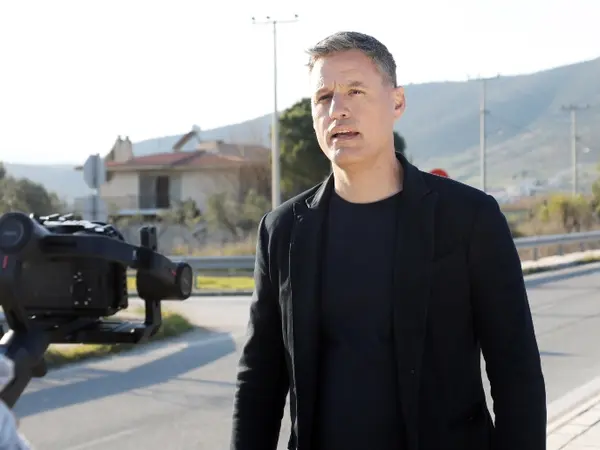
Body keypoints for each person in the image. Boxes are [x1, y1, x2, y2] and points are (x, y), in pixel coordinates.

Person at [230, 31, 546, 450]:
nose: (338, 109)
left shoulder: (469, 218)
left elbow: (516, 370)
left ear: (396, 103)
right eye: (323, 97)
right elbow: (259, 380)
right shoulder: (283, 230)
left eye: (355, 91)